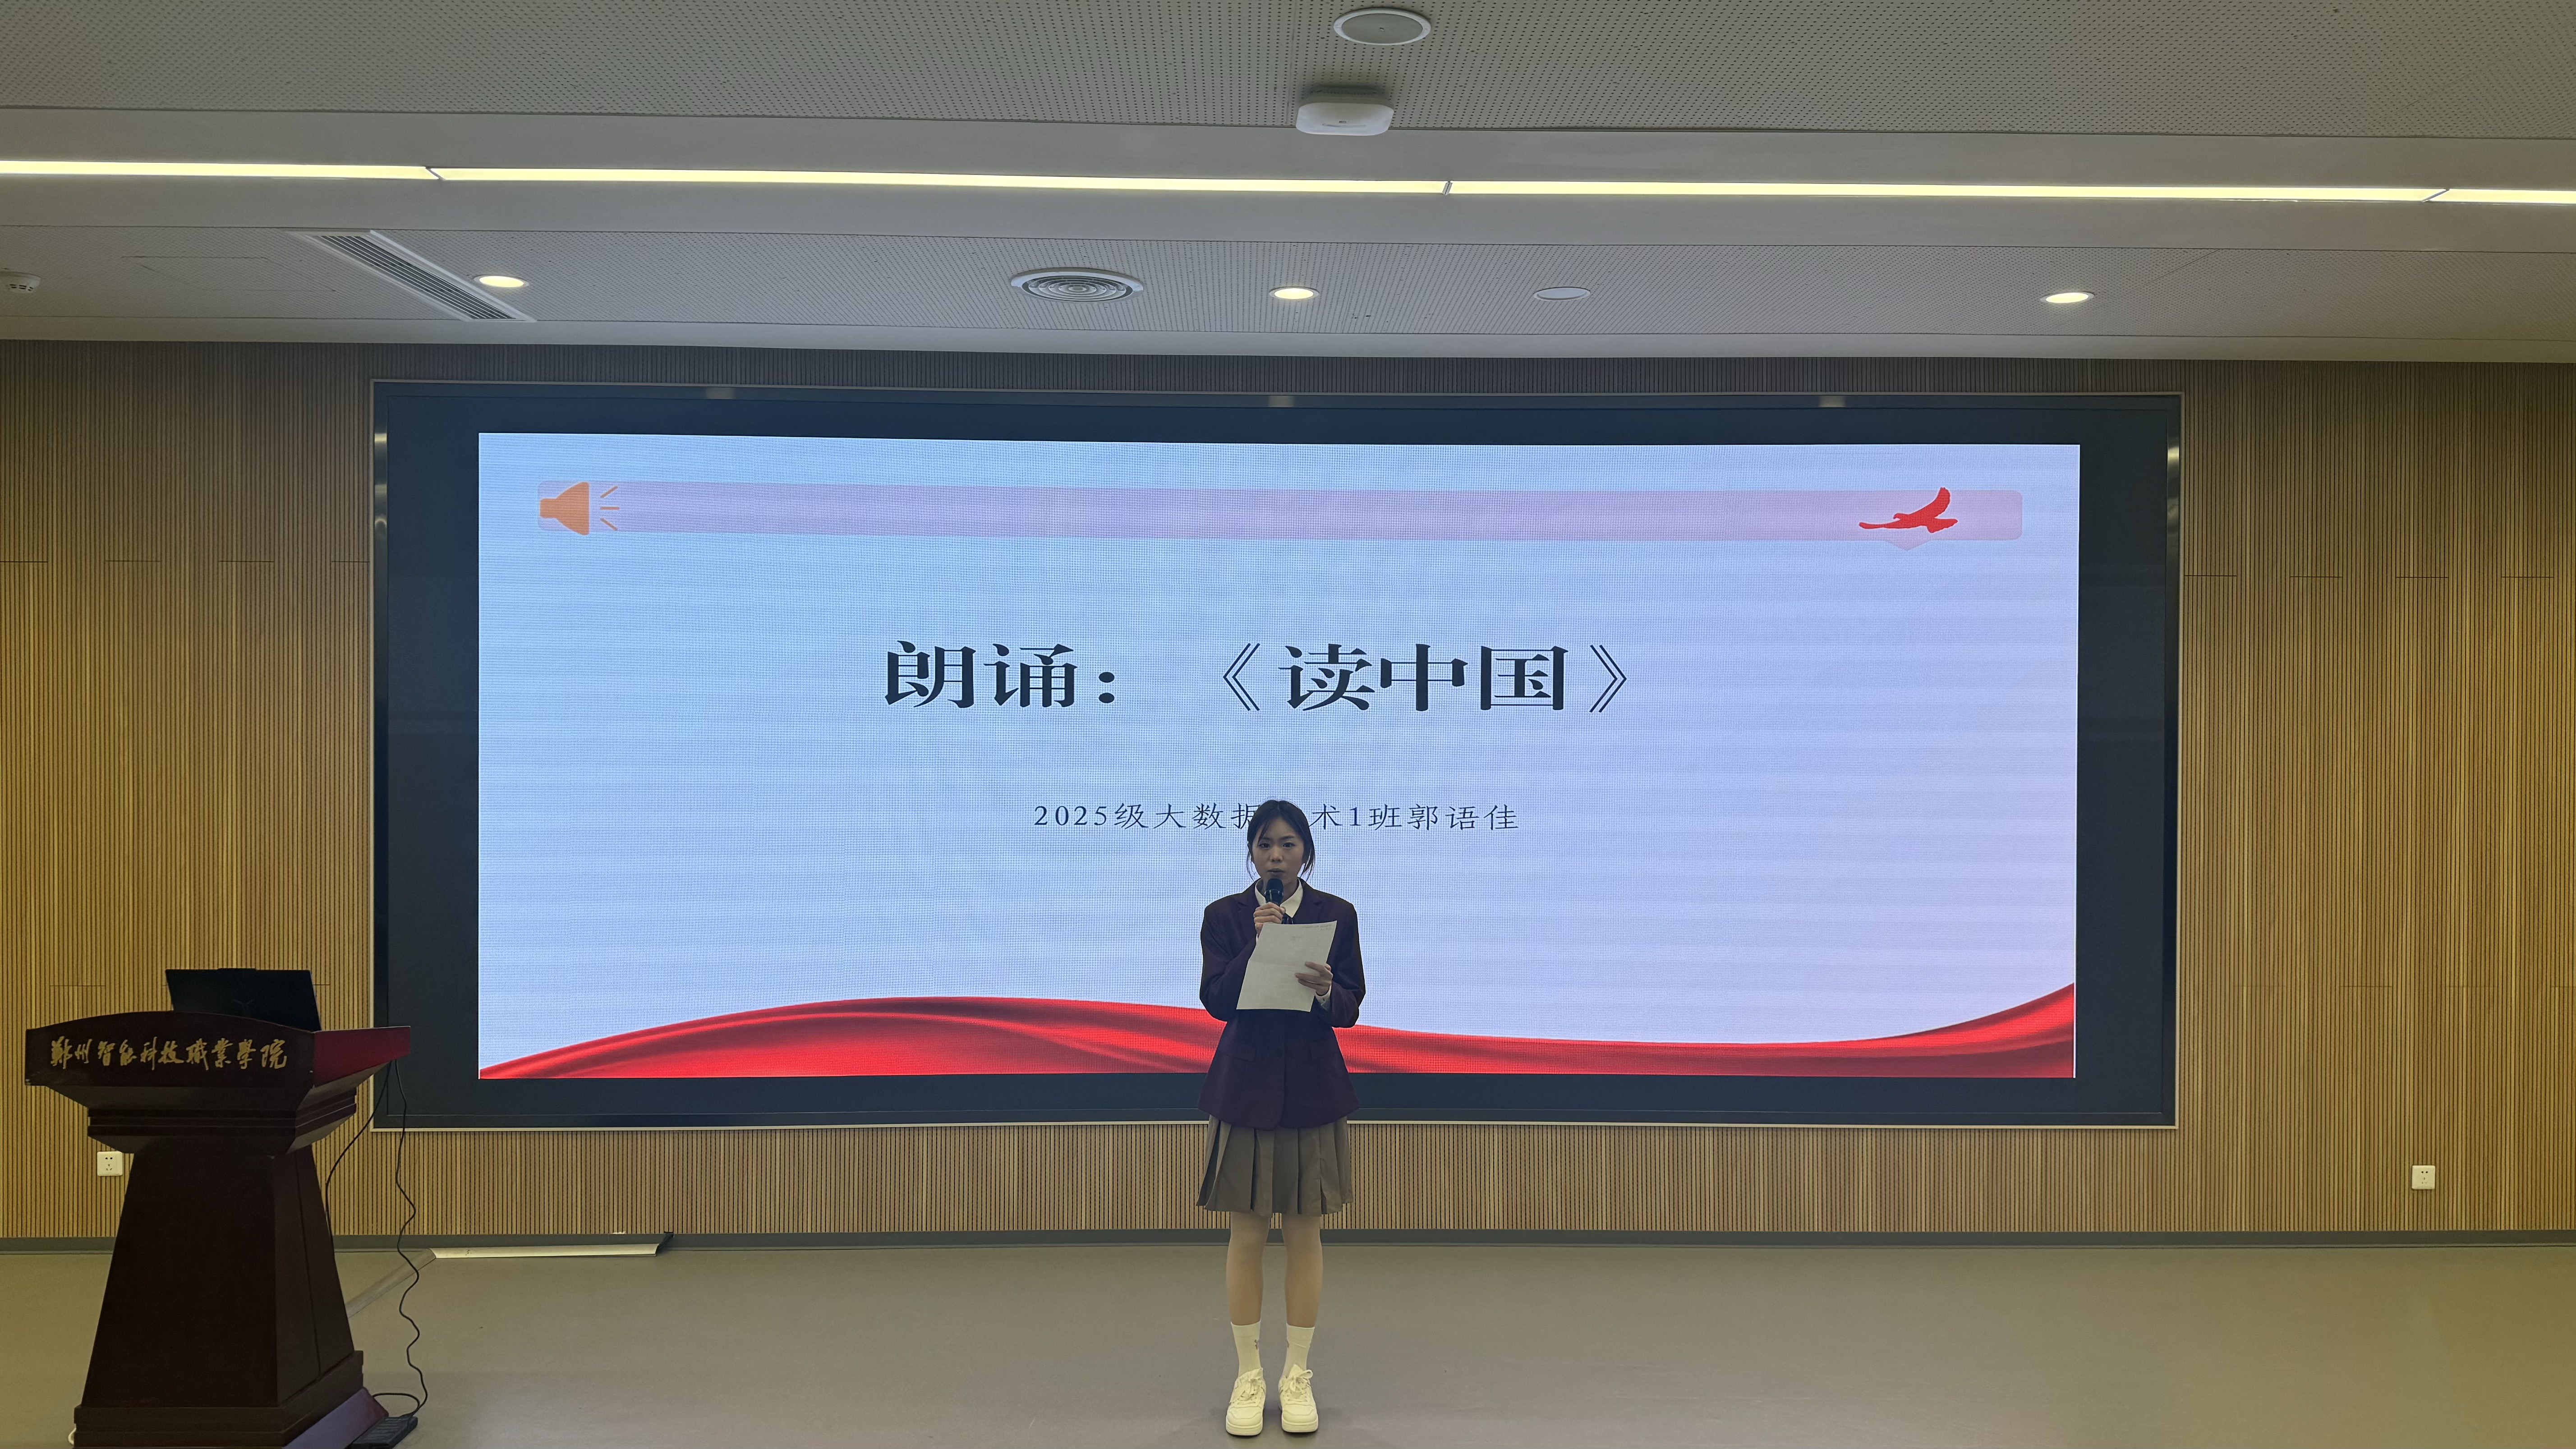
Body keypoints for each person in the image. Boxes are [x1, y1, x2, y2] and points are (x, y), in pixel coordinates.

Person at [1196, 799, 1365, 1437]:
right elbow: (1217, 1000)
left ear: (1306, 854)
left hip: (1312, 1089)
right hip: (1246, 1088)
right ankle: (1248, 1374)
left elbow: (1351, 1004)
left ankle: (1297, 1374)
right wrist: (1257, 944)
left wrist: (1326, 991)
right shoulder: (1226, 916)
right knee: (1245, 1235)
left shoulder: (1336, 914)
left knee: (1303, 1235)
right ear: (1251, 853)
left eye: (1288, 844)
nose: (1276, 855)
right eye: (1265, 844)